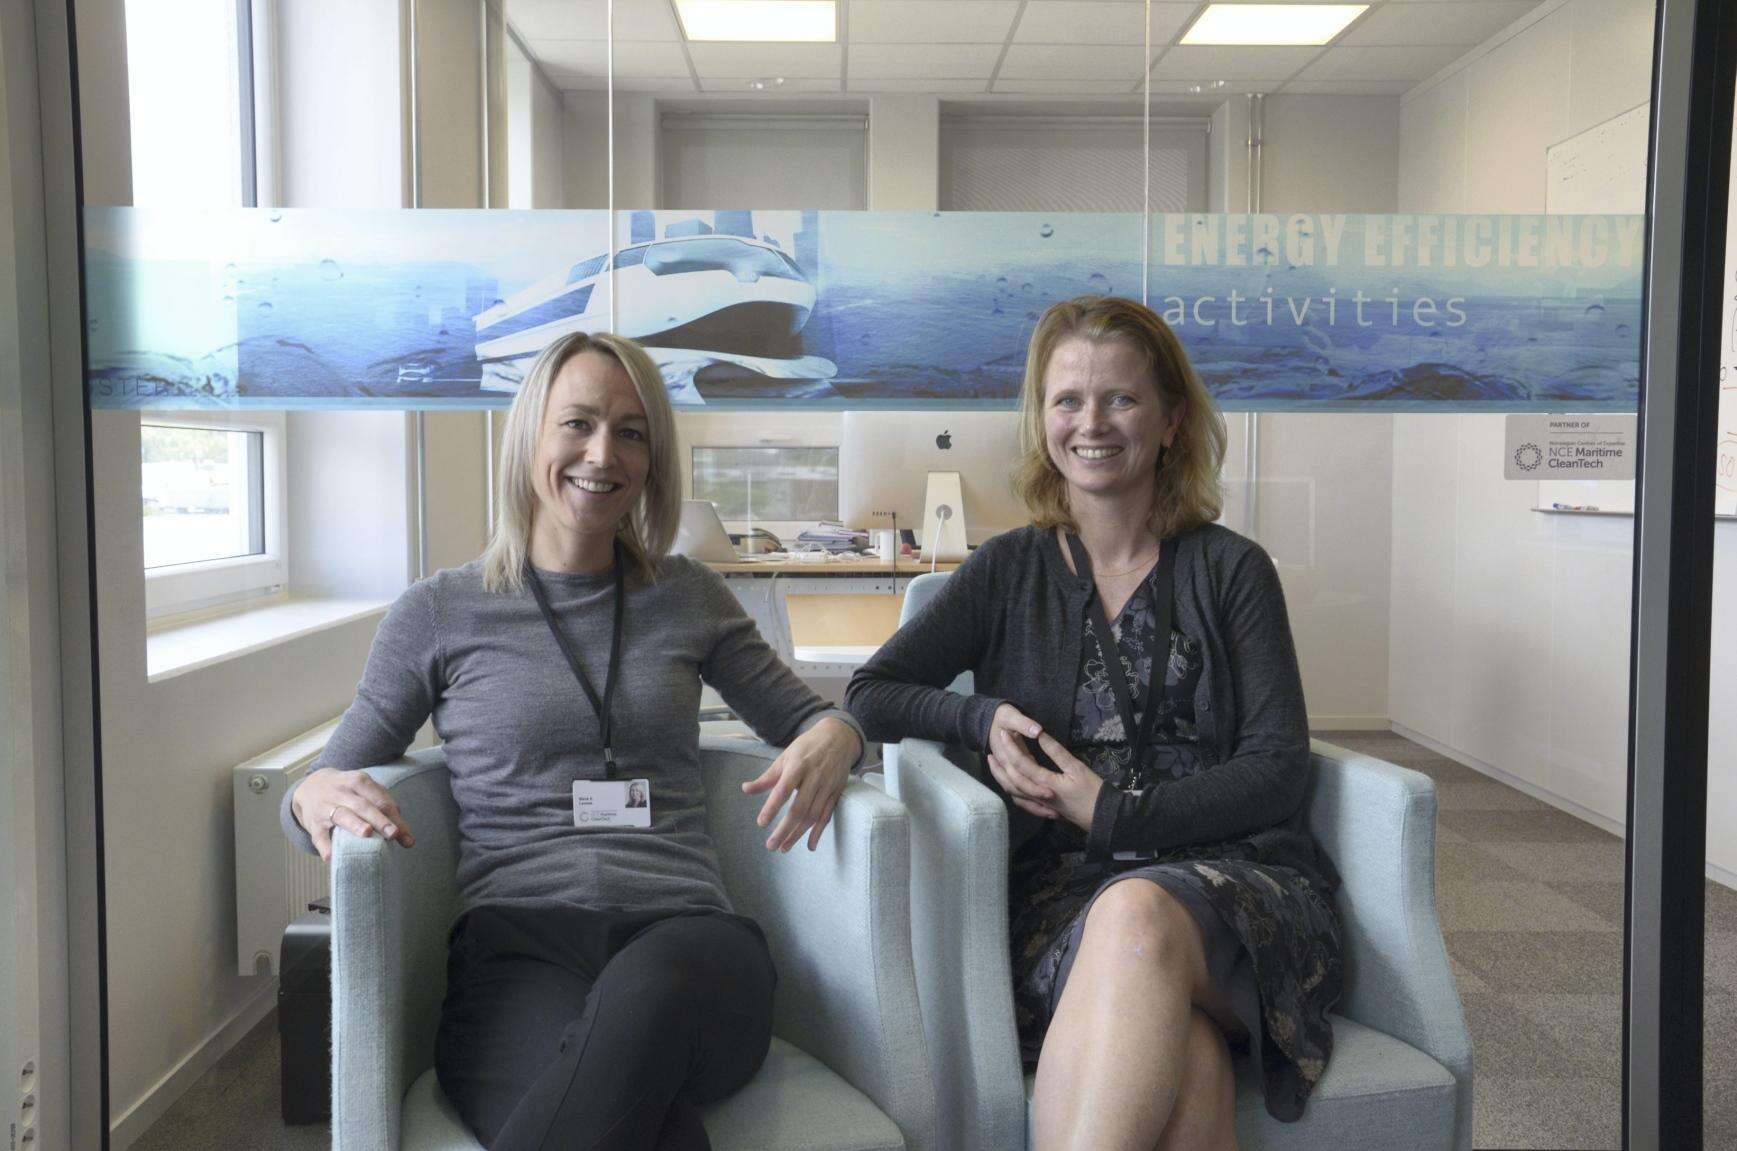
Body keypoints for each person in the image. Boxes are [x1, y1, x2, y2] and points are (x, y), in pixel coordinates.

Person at [281, 330, 865, 1151]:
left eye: (631, 432)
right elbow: (322, 781)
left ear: (653, 459)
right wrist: (307, 793)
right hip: (517, 949)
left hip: (687, 941)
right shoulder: (439, 611)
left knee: (645, 998)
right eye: (578, 423)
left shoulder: (688, 595)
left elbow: (808, 717)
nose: (602, 454)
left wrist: (840, 732)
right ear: (530, 435)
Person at [847, 296, 1342, 1151]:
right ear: (1041, 420)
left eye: (1120, 398)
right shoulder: (1009, 569)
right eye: (1067, 399)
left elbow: (1275, 767)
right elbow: (872, 691)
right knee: (1188, 1059)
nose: (1091, 423)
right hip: (1063, 895)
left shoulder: (1231, 569)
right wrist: (979, 714)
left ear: (1170, 419)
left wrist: (1113, 813)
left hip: (1239, 883)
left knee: (1137, 913)